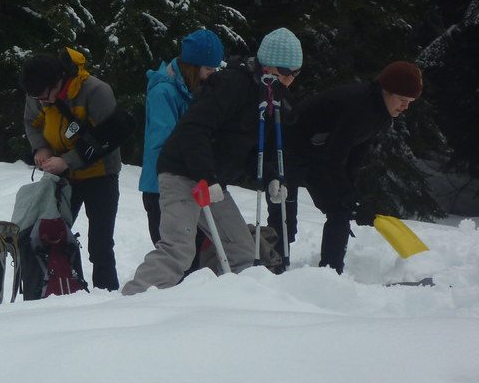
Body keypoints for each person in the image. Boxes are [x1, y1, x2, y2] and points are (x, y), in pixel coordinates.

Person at [121, 27, 303, 295]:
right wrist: (205, 175)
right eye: (286, 73)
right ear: (268, 66)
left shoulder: (267, 97)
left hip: (213, 180)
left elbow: (248, 149)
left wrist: (271, 177)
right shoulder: (233, 84)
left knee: (242, 251)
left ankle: (221, 304)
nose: (290, 80)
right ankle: (132, 301)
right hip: (183, 172)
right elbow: (193, 129)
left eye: (296, 74)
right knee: (178, 250)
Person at [266, 61, 423, 273]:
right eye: (403, 100)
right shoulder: (359, 106)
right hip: (288, 150)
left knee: (340, 211)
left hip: (318, 153)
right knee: (285, 222)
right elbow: (335, 157)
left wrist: (352, 197)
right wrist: (349, 195)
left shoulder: (381, 113)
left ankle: (331, 273)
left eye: (410, 102)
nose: (405, 107)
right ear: (386, 90)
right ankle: (270, 273)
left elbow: (354, 156)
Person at [21, 48, 130, 291]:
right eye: (36, 98)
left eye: (44, 97)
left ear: (58, 81)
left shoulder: (96, 91)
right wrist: (41, 148)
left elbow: (109, 136)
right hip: (64, 177)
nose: (42, 102)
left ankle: (107, 295)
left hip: (101, 174)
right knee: (52, 236)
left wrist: (68, 160)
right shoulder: (38, 93)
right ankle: (61, 291)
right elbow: (31, 122)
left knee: (100, 244)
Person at [140, 28, 224, 244]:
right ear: (192, 66)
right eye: (208, 68)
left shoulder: (195, 89)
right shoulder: (163, 92)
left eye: (215, 68)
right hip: (162, 188)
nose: (212, 74)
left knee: (200, 254)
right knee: (176, 253)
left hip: (190, 183)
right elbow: (164, 141)